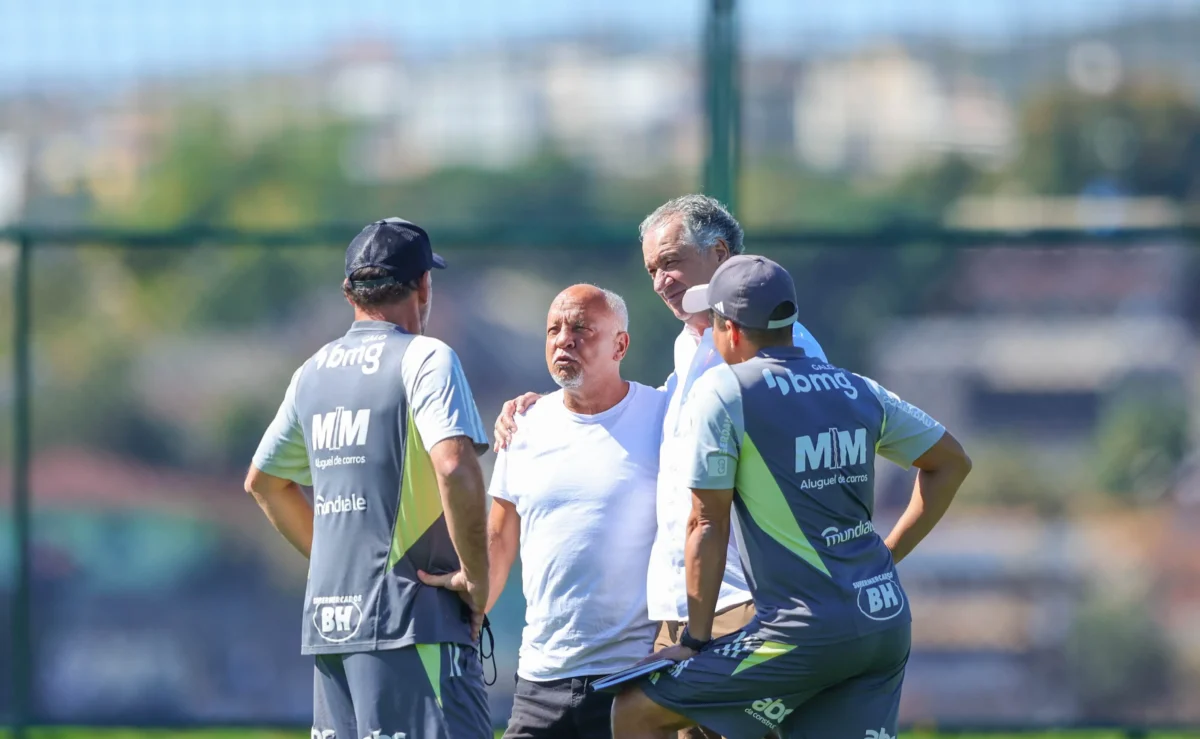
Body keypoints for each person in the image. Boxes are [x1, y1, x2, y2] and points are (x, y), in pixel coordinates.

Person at [493, 195, 825, 739]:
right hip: (684, 618)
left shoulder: (776, 346)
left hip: (743, 604)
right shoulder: (689, 348)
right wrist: (540, 406)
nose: (661, 281)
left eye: (671, 262)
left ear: (719, 254)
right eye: (652, 269)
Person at [610, 255, 973, 739]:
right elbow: (951, 462)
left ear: (731, 331)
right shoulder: (855, 387)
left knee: (636, 710)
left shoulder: (725, 389)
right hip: (883, 621)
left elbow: (705, 523)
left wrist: (695, 640)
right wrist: (888, 554)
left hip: (800, 633)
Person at [244, 218, 493, 739]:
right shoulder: (427, 357)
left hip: (332, 631)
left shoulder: (312, 371)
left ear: (348, 291)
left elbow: (264, 484)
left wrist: (343, 566)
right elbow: (454, 465)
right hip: (413, 624)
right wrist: (475, 578)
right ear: (424, 285)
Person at [484, 284, 665, 739]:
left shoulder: (666, 415)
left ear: (620, 344)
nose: (564, 339)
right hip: (539, 680)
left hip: (633, 679)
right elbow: (499, 540)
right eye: (553, 329)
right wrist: (463, 624)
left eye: (581, 328)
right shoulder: (522, 425)